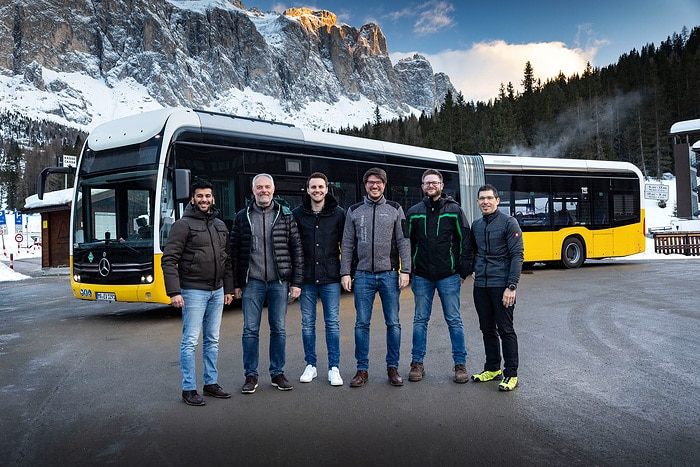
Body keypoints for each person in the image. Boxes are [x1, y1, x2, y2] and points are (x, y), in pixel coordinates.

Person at [161, 179, 234, 406]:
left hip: (217, 290)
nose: (204, 200)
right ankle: (189, 388)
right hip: (193, 291)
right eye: (200, 196)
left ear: (213, 198)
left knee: (212, 339)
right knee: (190, 341)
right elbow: (168, 260)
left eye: (208, 196)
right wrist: (174, 292)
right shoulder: (183, 225)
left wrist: (228, 289)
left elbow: (226, 259)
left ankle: (210, 383)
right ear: (192, 199)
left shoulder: (220, 225)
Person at [230, 173, 304, 394]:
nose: (263, 191)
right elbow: (234, 251)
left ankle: (277, 373)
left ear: (274, 189)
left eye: (267, 187)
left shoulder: (285, 215)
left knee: (279, 329)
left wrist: (296, 281)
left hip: (279, 281)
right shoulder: (243, 216)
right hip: (252, 282)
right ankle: (250, 375)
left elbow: (296, 249)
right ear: (253, 191)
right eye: (259, 187)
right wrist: (235, 284)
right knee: (250, 330)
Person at [340, 167, 411, 388]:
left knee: (393, 323)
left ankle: (393, 368)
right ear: (365, 185)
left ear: (384, 185)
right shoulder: (354, 210)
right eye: (371, 182)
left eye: (378, 182)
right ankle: (362, 370)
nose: (374, 186)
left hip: (389, 274)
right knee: (362, 323)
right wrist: (345, 273)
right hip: (362, 276)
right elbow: (347, 244)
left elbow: (403, 241)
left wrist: (405, 270)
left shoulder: (395, 209)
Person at [406, 169, 473, 383]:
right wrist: (409, 270)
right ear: (422, 186)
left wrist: (463, 271)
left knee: (454, 320)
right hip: (422, 276)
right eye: (427, 183)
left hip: (448, 276)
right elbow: (407, 243)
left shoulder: (454, 210)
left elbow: (466, 241)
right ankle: (417, 363)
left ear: (442, 186)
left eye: (435, 182)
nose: (431, 185)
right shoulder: (414, 212)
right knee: (420, 320)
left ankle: (460, 365)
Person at [292, 172, 345, 386]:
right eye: (313, 187)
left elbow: (347, 244)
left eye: (321, 187)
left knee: (332, 323)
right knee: (307, 324)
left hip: (331, 277)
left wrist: (345, 273)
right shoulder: (297, 214)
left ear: (326, 188)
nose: (317, 190)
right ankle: (311, 365)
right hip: (306, 277)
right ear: (307, 189)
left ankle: (334, 367)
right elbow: (293, 247)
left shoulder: (338, 213)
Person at [470, 184, 524, 391]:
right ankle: (492, 368)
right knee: (486, 329)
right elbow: (473, 251)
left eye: (489, 198)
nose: (485, 202)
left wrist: (511, 286)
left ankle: (511, 374)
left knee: (506, 330)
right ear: (477, 202)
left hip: (501, 285)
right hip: (481, 286)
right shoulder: (476, 225)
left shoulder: (509, 223)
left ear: (497, 200)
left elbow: (517, 255)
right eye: (481, 199)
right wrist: (474, 268)